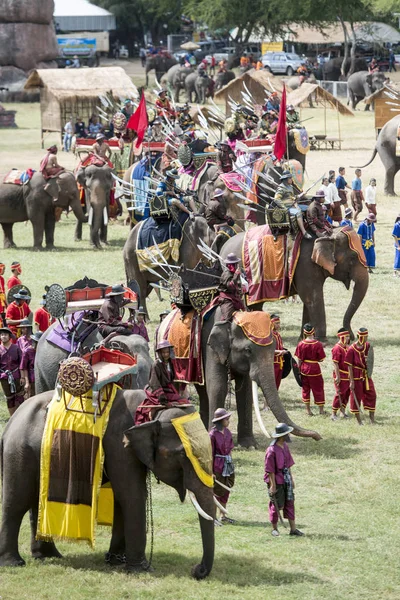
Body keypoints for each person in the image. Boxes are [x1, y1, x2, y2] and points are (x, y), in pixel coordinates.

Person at [135, 340, 188, 425]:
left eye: (167, 352)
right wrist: (164, 401)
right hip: (157, 390)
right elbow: (155, 383)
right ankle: (154, 410)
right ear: (159, 353)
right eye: (163, 352)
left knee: (184, 401)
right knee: (179, 401)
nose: (165, 354)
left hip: (168, 389)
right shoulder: (156, 365)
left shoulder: (170, 363)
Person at [264, 422, 303, 537]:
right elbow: (270, 470)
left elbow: (288, 465)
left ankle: (293, 529)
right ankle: (274, 529)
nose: (288, 435)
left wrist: (291, 479)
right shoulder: (271, 450)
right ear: (281, 436)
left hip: (286, 479)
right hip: (277, 480)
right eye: (287, 434)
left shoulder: (285, 446)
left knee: (290, 502)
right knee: (277, 505)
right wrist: (273, 485)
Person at [345, 327, 376, 424]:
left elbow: (370, 361)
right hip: (356, 376)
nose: (366, 338)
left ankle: (372, 419)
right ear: (360, 336)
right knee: (356, 397)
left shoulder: (367, 346)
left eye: (366, 336)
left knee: (372, 395)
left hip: (366, 376)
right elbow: (349, 365)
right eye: (365, 336)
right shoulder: (351, 349)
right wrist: (351, 381)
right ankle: (359, 421)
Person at [209, 408, 235, 524]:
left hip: (227, 465)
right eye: (226, 419)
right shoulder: (212, 435)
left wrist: (231, 464)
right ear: (220, 420)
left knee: (226, 489)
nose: (228, 421)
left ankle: (223, 515)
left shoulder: (228, 432)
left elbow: (230, 450)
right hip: (217, 466)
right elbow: (210, 454)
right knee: (215, 491)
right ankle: (213, 517)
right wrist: (211, 471)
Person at [295, 323, 326, 416]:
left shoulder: (301, 344)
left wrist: (298, 371)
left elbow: (299, 359)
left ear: (304, 332)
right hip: (315, 369)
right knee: (318, 389)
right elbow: (321, 359)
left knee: (305, 389)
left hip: (304, 369)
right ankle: (321, 410)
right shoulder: (318, 344)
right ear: (313, 331)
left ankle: (308, 411)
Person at [273, 171, 312, 239]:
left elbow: (292, 197)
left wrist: (301, 194)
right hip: (287, 208)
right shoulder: (281, 188)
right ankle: (304, 232)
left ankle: (309, 225)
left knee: (308, 208)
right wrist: (284, 207)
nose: (292, 179)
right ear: (286, 179)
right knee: (298, 212)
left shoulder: (290, 187)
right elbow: (276, 199)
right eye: (290, 178)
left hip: (293, 205)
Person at [0, 327, 25, 416]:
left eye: (5, 335)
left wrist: (22, 377)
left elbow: (21, 363)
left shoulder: (16, 348)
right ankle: (12, 417)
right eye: (2, 335)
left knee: (20, 396)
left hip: (17, 375)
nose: (3, 336)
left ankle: (21, 416)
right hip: (4, 377)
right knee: (9, 398)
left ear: (10, 336)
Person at [216, 253, 246, 322]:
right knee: (227, 319)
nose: (237, 266)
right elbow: (230, 286)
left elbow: (237, 285)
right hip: (227, 299)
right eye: (235, 264)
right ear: (231, 265)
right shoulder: (226, 274)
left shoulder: (235, 272)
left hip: (235, 297)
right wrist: (236, 275)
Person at [331, 328, 351, 420]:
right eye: (346, 336)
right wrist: (338, 376)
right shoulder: (336, 348)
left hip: (348, 375)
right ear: (341, 336)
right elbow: (335, 363)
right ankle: (334, 413)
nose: (347, 338)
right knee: (340, 393)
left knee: (346, 394)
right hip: (340, 374)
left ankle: (342, 411)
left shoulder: (347, 347)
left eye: (348, 336)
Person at [20, 331, 41, 399]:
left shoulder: (42, 351)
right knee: (31, 398)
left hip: (40, 378)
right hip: (31, 378)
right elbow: (24, 368)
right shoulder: (27, 351)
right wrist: (27, 382)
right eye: (35, 342)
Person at [271, 314, 286, 390]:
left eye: (279, 323)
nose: (278, 325)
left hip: (280, 362)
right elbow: (267, 350)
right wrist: (280, 351)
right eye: (276, 323)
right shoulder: (269, 335)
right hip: (272, 363)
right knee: (271, 385)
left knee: (277, 384)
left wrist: (283, 351)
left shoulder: (278, 335)